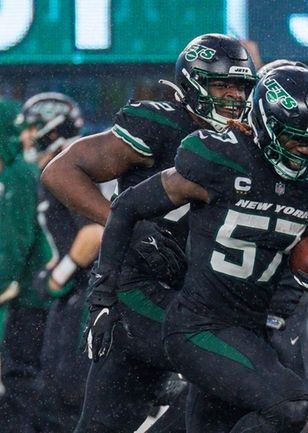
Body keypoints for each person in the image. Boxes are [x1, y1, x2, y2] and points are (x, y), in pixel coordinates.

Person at [88, 65, 308, 433]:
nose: (307, 150)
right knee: (291, 406)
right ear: (266, 124)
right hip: (198, 326)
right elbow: (126, 207)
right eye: (296, 138)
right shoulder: (219, 158)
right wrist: (101, 299)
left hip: (250, 329)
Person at [42, 33, 257, 432]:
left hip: (197, 293)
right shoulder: (161, 124)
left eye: (241, 86)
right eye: (221, 84)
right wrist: (125, 223)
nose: (233, 96)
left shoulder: (253, 141)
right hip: (140, 290)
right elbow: (60, 171)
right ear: (193, 84)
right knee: (231, 372)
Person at [14, 92, 105, 432]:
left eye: (32, 128)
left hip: (84, 294)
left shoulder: (67, 166)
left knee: (66, 393)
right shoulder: (83, 160)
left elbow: (94, 234)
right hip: (88, 293)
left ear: (52, 132)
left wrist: (58, 277)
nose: (25, 137)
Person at [0, 97, 53, 433]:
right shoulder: (23, 172)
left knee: (23, 383)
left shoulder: (19, 175)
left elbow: (12, 249)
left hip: (34, 300)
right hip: (40, 296)